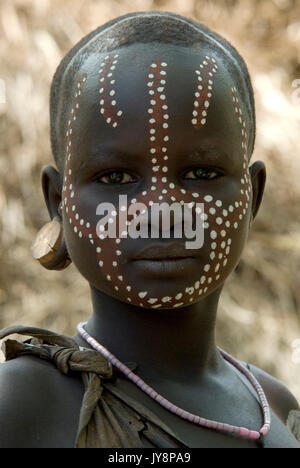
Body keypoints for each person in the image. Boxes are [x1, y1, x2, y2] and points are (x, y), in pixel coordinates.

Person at [0, 11, 299, 449]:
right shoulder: (24, 405)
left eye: (201, 172)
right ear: (58, 202)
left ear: (251, 197)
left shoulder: (276, 408)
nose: (161, 209)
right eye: (116, 178)